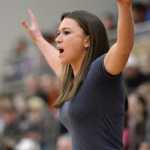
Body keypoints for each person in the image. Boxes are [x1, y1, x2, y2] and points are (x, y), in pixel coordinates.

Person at [21, 0, 134, 149]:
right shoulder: (72, 79)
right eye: (58, 33)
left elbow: (123, 48)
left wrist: (124, 7)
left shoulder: (99, 71)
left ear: (87, 40)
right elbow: (55, 60)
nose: (58, 39)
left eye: (66, 32)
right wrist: (38, 38)